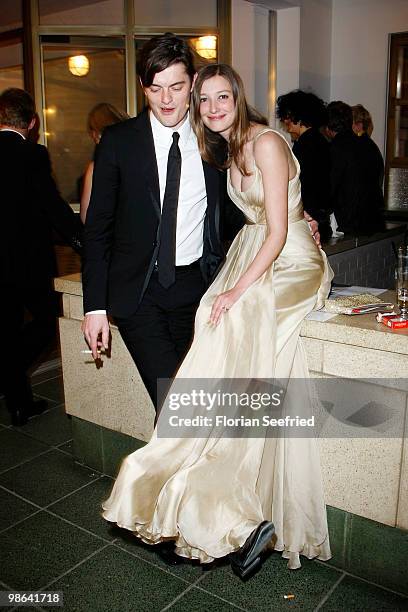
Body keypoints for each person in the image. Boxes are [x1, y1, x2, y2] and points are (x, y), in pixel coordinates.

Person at [102, 64, 333, 579]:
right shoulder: (223, 153)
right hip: (254, 250)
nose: (212, 108)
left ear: (237, 96)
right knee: (216, 328)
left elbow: (277, 230)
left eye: (221, 96)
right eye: (203, 100)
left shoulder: (267, 142)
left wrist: (238, 287)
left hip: (290, 261)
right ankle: (206, 486)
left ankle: (220, 487)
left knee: (236, 318)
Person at [82, 34, 243, 410]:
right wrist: (94, 308)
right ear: (143, 87)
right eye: (155, 89)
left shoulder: (214, 142)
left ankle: (172, 470)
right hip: (139, 294)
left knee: (187, 403)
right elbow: (97, 230)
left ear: (193, 85)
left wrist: (299, 215)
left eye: (177, 87)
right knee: (177, 403)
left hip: (196, 288)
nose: (166, 100)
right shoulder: (118, 142)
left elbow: (239, 209)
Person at [0, 88, 82, 426]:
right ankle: (8, 370)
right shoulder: (31, 155)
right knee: (49, 321)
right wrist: (85, 241)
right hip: (28, 263)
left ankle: (19, 404)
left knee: (5, 330)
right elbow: (53, 207)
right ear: (33, 122)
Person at [276, 90, 332, 242]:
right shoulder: (322, 141)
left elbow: (298, 183)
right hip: (321, 217)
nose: (287, 126)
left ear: (298, 117)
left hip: (308, 219)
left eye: (287, 119)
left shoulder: (303, 145)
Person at [326, 101, 383, 235]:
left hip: (353, 221)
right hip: (373, 217)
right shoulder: (372, 148)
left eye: (349, 122)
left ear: (358, 125)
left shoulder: (343, 147)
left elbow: (336, 183)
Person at [80, 103, 129, 223]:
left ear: (97, 135)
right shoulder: (142, 159)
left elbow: (86, 216)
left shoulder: (96, 168)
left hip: (111, 238)